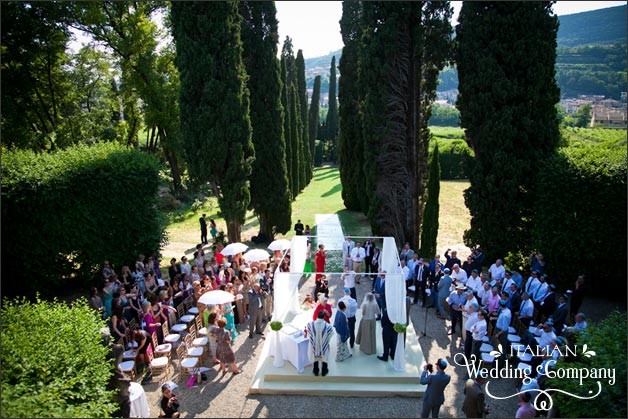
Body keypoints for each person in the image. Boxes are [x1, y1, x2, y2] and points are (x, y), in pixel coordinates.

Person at [307, 310, 334, 376]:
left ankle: (316, 371)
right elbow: (331, 333)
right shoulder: (328, 326)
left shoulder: (310, 324)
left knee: (315, 357)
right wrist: (327, 342)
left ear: (317, 316)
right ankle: (324, 371)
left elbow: (309, 334)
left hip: (315, 345)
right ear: (324, 317)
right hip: (323, 345)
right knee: (324, 357)